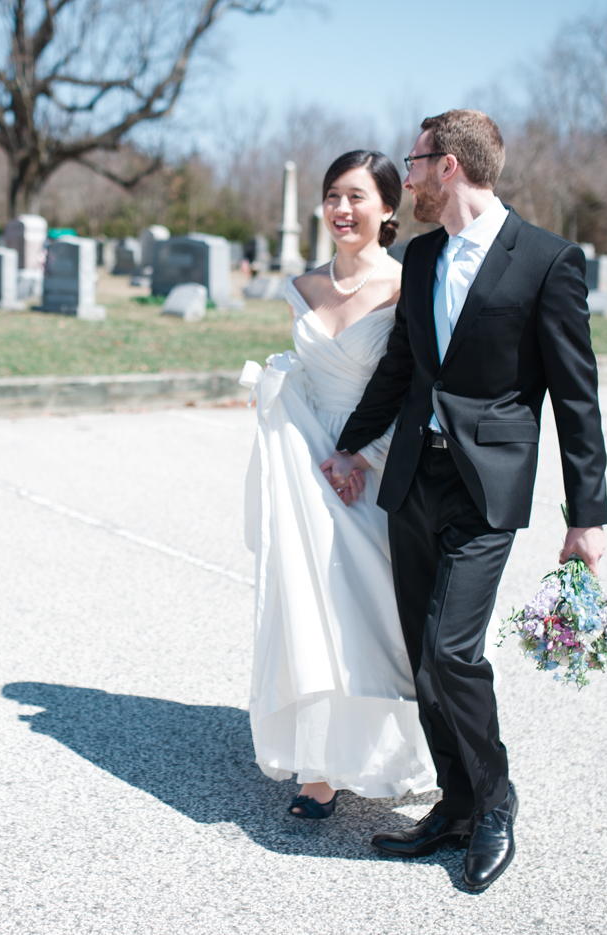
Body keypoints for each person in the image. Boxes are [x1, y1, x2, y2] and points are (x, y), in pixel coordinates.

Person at [321, 110, 607, 891]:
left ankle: (494, 802)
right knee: (422, 657)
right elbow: (403, 368)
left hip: (488, 488)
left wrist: (588, 514)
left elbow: (576, 398)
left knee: (453, 651)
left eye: (413, 164)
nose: (403, 179)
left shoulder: (548, 261)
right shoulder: (420, 258)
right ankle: (452, 805)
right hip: (415, 475)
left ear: (448, 167)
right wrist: (351, 443)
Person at [242, 151, 436, 821]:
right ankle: (318, 766)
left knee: (375, 611)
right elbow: (301, 373)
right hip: (306, 458)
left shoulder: (410, 284)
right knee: (308, 599)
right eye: (332, 196)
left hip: (376, 458)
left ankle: (398, 751)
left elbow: (415, 383)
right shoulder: (301, 286)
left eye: (356, 197)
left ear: (388, 208)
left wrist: (357, 452)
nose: (341, 210)